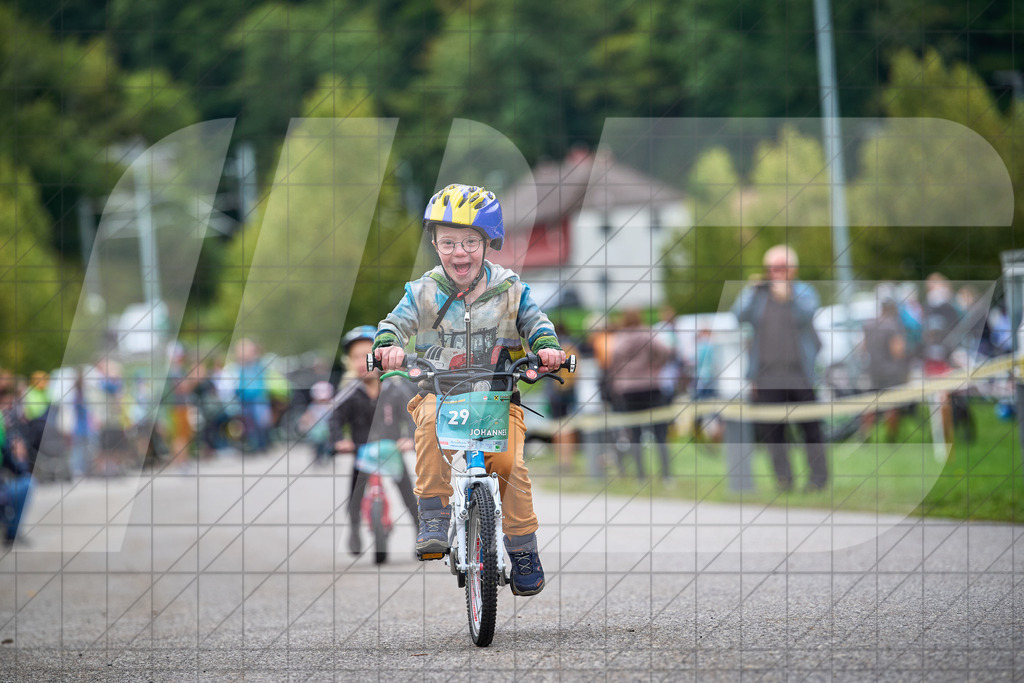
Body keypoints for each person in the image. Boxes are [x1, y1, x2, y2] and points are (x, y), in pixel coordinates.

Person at [373, 183, 566, 596]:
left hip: (498, 396)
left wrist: (546, 349)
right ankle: (434, 516)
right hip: (439, 393)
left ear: (488, 242)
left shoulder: (511, 289)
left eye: (469, 242)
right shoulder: (422, 292)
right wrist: (387, 347)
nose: (459, 252)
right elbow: (395, 325)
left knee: (511, 466)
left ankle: (523, 550)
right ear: (435, 245)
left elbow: (536, 323)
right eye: (448, 243)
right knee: (427, 424)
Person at [732, 245, 827, 493]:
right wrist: (753, 291)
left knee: (810, 429)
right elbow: (738, 315)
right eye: (772, 268)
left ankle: (818, 478)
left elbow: (808, 314)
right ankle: (783, 479)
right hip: (766, 376)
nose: (776, 273)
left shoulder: (804, 291)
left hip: (799, 373)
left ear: (793, 270)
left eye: (782, 267)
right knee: (773, 432)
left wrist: (790, 298)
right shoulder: (757, 294)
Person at [332, 326, 419, 556]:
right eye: (356, 357)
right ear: (348, 362)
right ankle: (353, 530)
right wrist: (340, 440)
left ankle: (420, 532)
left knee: (408, 494)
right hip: (362, 452)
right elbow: (334, 419)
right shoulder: (349, 392)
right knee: (354, 495)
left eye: (367, 356)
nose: (362, 361)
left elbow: (412, 413)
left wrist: (409, 438)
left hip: (391, 448)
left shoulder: (393, 387)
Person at [607, 308, 675, 482]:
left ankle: (640, 475)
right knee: (660, 433)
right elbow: (665, 351)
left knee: (634, 435)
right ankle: (666, 475)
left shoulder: (618, 338)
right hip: (650, 386)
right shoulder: (647, 334)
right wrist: (656, 365)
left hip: (628, 390)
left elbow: (612, 362)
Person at [861, 293, 910, 442]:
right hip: (890, 371)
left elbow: (862, 348)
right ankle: (891, 437)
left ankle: (865, 435)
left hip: (872, 370)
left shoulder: (869, 324)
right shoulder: (893, 325)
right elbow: (898, 351)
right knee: (891, 404)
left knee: (870, 403)